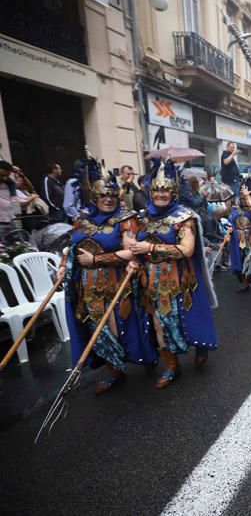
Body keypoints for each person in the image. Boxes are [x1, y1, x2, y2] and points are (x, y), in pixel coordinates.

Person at [55, 150, 156, 393]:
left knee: (123, 326)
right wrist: (63, 267)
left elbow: (132, 252)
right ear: (93, 195)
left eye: (112, 194)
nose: (108, 199)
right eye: (103, 194)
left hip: (119, 283)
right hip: (87, 285)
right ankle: (114, 370)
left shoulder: (126, 219)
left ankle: (147, 357)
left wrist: (96, 260)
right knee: (97, 328)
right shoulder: (82, 219)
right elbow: (72, 247)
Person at [128, 158, 219, 388]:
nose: (160, 195)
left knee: (185, 319)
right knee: (159, 323)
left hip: (181, 279)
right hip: (150, 281)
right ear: (150, 191)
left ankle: (200, 346)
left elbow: (187, 250)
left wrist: (150, 248)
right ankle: (171, 366)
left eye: (165, 191)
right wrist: (134, 261)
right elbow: (135, 247)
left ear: (174, 192)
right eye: (156, 191)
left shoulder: (183, 217)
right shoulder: (141, 218)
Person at [228, 178, 251, 292]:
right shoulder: (235, 208)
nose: (243, 197)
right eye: (242, 194)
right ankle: (244, 283)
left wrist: (247, 196)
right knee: (240, 260)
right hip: (237, 238)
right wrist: (229, 228)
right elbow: (230, 218)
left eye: (246, 194)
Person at [0, 161, 22, 238]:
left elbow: (12, 183)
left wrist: (13, 196)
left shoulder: (7, 182)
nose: (4, 178)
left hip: (11, 220)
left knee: (18, 244)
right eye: (2, 175)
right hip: (1, 223)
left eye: (7, 175)